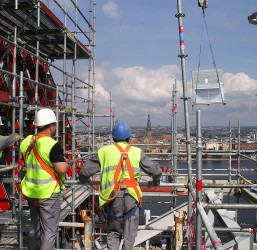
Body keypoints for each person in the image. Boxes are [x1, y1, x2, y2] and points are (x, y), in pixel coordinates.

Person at [79, 121, 162, 250]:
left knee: (113, 232)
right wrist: (156, 182)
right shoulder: (136, 152)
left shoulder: (104, 152)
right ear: (129, 138)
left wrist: (84, 181)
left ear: (113, 138)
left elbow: (84, 172)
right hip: (132, 197)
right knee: (129, 235)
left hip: (112, 198)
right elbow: (156, 171)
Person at [20, 108, 69, 250]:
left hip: (31, 193)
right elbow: (62, 169)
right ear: (52, 126)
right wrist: (64, 161)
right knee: (49, 232)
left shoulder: (27, 142)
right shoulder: (52, 144)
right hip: (48, 195)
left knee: (34, 230)